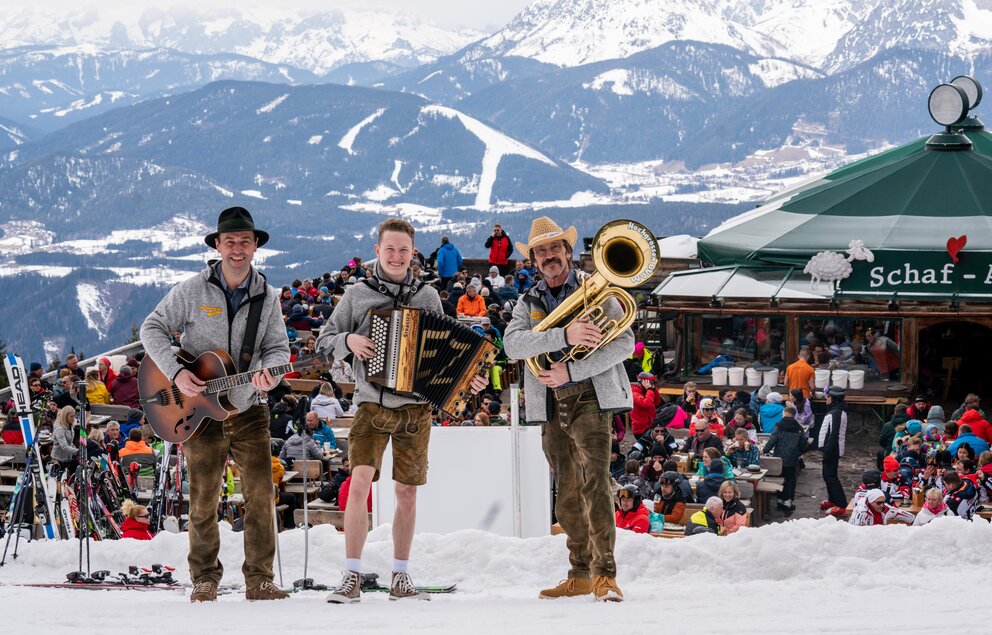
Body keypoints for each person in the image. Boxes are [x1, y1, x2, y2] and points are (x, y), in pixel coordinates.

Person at [319, 219, 486, 604]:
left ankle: (401, 575)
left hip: (416, 410)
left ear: (414, 254)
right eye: (390, 249)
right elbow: (327, 338)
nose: (396, 257)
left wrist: (467, 380)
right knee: (358, 485)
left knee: (407, 493)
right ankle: (352, 575)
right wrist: (349, 339)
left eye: (404, 250)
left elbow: (449, 350)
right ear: (377, 251)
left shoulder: (426, 296)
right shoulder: (358, 294)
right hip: (372, 404)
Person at [139, 206, 290, 602]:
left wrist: (271, 373)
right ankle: (204, 577)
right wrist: (174, 372)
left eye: (244, 242)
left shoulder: (266, 296)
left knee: (260, 495)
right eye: (230, 242)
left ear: (255, 246)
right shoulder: (192, 290)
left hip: (248, 410)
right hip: (197, 414)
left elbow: (277, 348)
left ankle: (260, 579)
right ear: (218, 245)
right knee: (203, 498)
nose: (237, 249)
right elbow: (151, 327)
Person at [503, 216, 633, 603]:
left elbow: (623, 343)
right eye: (540, 251)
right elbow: (513, 346)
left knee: (595, 482)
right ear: (534, 259)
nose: (548, 256)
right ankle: (578, 572)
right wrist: (564, 336)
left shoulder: (599, 291)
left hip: (590, 394)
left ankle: (604, 574)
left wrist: (572, 368)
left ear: (567, 252)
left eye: (554, 249)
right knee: (567, 491)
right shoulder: (528, 302)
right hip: (549, 400)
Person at [762, 405, 806, 513]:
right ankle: (788, 502)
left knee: (780, 480)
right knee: (790, 480)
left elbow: (773, 439)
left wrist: (765, 451)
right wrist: (798, 452)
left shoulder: (779, 425)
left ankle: (780, 501)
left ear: (784, 413)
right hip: (792, 459)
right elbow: (803, 443)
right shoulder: (799, 428)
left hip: (779, 458)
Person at [818, 386, 849, 514]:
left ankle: (841, 504)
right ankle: (833, 499)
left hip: (833, 449)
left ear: (834, 399)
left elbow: (834, 434)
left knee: (831, 477)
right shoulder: (835, 411)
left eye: (828, 397)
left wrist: (828, 451)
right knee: (827, 475)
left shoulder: (837, 413)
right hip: (830, 448)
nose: (826, 399)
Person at [849, 489, 914, 526]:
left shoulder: (884, 508)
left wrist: (914, 521)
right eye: (879, 503)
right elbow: (856, 533)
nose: (882, 505)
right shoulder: (862, 512)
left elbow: (899, 513)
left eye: (883, 502)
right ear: (870, 502)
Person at [629, 372, 661, 436]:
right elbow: (646, 404)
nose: (652, 385)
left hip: (650, 426)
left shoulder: (647, 391)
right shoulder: (635, 393)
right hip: (641, 429)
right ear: (644, 382)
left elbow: (657, 403)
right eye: (651, 383)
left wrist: (654, 389)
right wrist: (649, 389)